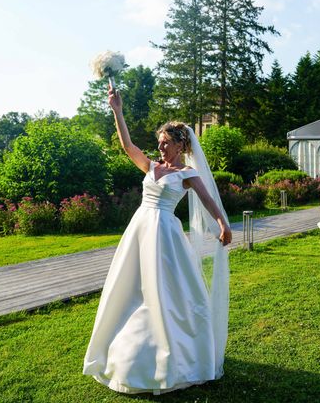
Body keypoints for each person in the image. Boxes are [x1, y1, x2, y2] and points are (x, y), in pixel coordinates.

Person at [83, 83, 232, 394]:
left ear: (180, 145)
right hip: (139, 231)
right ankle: (128, 350)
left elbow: (207, 199)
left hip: (165, 235)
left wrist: (222, 223)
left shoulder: (187, 173)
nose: (161, 148)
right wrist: (117, 110)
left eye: (166, 143)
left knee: (166, 293)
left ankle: (178, 353)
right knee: (130, 289)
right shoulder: (151, 166)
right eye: (160, 143)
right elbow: (128, 147)